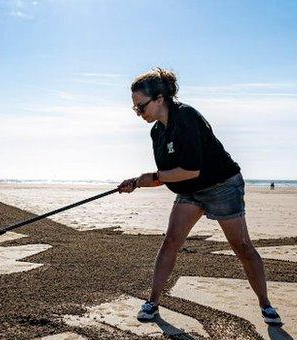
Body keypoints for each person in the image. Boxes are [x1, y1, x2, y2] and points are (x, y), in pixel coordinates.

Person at [118, 68, 281, 326]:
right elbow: (172, 173)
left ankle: (266, 305)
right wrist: (139, 182)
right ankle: (152, 302)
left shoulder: (187, 117)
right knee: (171, 241)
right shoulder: (156, 132)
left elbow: (190, 169)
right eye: (135, 109)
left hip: (222, 185)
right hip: (190, 191)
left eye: (141, 106)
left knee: (242, 247)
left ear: (160, 98)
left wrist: (152, 178)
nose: (138, 113)